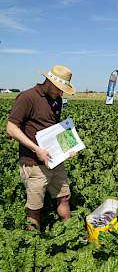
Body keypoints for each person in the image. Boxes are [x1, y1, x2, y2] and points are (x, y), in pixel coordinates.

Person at [6, 65, 76, 229]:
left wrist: (67, 148)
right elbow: (11, 128)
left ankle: (71, 233)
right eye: (60, 89)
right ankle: (33, 242)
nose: (61, 93)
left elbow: (54, 127)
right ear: (50, 82)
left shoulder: (56, 100)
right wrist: (37, 149)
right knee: (35, 208)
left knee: (64, 197)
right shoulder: (27, 97)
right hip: (33, 163)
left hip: (55, 160)